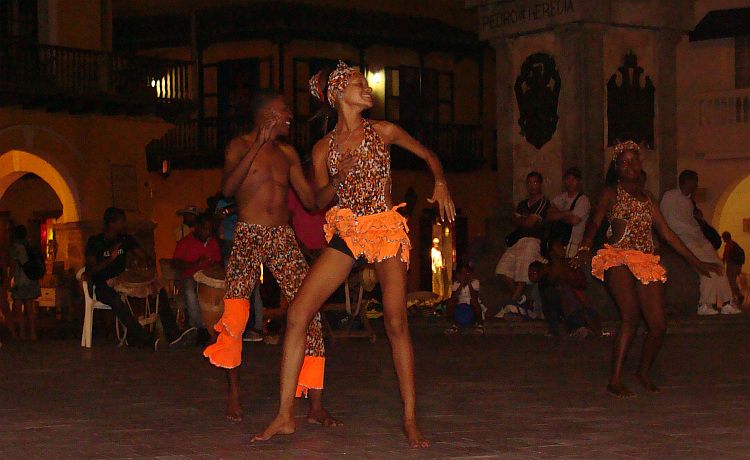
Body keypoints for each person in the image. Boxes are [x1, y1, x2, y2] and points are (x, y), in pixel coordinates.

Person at [253, 61, 455, 447]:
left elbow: (429, 155)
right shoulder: (321, 149)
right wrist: (340, 178)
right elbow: (315, 201)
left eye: (366, 83)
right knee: (297, 314)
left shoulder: (383, 131)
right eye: (360, 84)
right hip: (348, 230)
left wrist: (441, 182)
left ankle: (410, 419)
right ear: (339, 94)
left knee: (396, 321)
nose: (368, 89)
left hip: (383, 227)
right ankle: (284, 415)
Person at [202, 88, 338, 426]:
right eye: (284, 110)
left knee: (310, 310)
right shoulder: (238, 146)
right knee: (235, 315)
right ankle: (234, 392)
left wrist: (340, 180)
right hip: (247, 232)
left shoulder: (290, 154)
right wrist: (257, 147)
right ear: (267, 114)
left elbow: (311, 202)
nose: (291, 115)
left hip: (282, 236)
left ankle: (315, 403)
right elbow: (228, 190)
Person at [571, 141, 721, 397]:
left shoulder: (649, 199)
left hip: (644, 259)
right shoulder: (611, 193)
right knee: (629, 315)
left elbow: (668, 234)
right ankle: (615, 379)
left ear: (641, 166)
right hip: (617, 257)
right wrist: (585, 246)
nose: (630, 165)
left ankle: (642, 371)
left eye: (635, 161)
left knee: (659, 324)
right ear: (617, 168)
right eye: (625, 162)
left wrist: (697, 262)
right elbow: (594, 222)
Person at [85, 207, 196, 349]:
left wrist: (144, 262)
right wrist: (110, 259)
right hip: (102, 284)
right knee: (117, 300)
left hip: (123, 281)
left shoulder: (124, 239)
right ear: (112, 224)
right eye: (121, 222)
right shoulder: (95, 241)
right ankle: (143, 338)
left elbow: (144, 256)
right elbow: (90, 270)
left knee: (158, 290)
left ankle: (172, 333)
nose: (124, 225)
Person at [660, 170, 741, 315]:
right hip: (684, 238)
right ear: (686, 182)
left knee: (718, 265)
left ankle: (727, 301)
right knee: (705, 267)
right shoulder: (670, 197)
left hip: (698, 237)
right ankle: (705, 303)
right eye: (694, 181)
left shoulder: (689, 201)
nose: (696, 185)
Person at [496, 171, 551, 311]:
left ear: (540, 184)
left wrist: (522, 220)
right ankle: (521, 298)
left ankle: (512, 302)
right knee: (502, 269)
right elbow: (515, 219)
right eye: (529, 183)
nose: (532, 186)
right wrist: (523, 220)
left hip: (532, 240)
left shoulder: (543, 202)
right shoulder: (522, 204)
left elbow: (529, 223)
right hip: (519, 241)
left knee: (521, 273)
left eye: (535, 182)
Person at [171, 213, 223, 345]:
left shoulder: (212, 242)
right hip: (189, 277)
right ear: (197, 227)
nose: (208, 233)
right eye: (205, 229)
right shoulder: (185, 242)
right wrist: (196, 264)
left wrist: (215, 265)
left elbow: (219, 263)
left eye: (210, 230)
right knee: (189, 290)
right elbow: (175, 263)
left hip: (206, 280)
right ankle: (199, 328)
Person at [547, 167, 591, 258]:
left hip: (574, 243)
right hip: (559, 241)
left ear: (579, 181)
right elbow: (549, 215)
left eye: (574, 179)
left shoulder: (583, 200)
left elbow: (574, 220)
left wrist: (558, 214)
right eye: (568, 179)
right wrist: (566, 213)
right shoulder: (561, 198)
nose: (570, 182)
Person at [9, 225, 41, 340]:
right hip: (31, 279)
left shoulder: (15, 247)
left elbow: (13, 265)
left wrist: (9, 279)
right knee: (29, 306)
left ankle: (22, 332)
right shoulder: (29, 245)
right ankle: (32, 333)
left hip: (20, 280)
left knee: (17, 307)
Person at [444, 263, 485, 335]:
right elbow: (454, 297)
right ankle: (453, 325)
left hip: (472, 304)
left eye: (467, 273)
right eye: (462, 274)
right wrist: (461, 285)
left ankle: (480, 325)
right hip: (461, 304)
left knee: (473, 301)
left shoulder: (475, 282)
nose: (465, 276)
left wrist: (469, 284)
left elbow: (474, 296)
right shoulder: (455, 284)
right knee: (450, 302)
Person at [722, 231, 745, 306]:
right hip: (731, 265)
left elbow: (726, 256)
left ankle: (733, 299)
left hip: (733, 265)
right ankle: (738, 296)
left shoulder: (733, 246)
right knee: (732, 282)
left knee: (731, 282)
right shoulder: (731, 245)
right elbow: (725, 256)